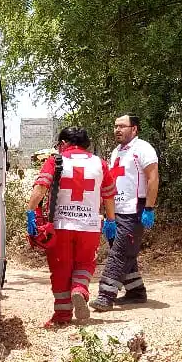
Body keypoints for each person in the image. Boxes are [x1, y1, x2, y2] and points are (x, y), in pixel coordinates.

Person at [25, 127, 117, 327]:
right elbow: (109, 195)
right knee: (85, 263)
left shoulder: (55, 161)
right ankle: (79, 289)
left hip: (61, 226)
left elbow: (41, 187)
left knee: (60, 268)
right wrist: (111, 220)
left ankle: (62, 315)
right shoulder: (100, 164)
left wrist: (31, 212)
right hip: (90, 226)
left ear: (64, 143)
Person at [91, 115, 159, 312]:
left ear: (134, 129)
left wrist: (149, 208)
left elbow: (153, 178)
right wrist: (107, 213)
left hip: (135, 209)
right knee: (125, 251)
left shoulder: (143, 149)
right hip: (117, 211)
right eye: (115, 126)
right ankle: (136, 292)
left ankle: (105, 296)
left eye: (122, 126)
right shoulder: (116, 152)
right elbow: (112, 183)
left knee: (119, 253)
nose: (117, 130)